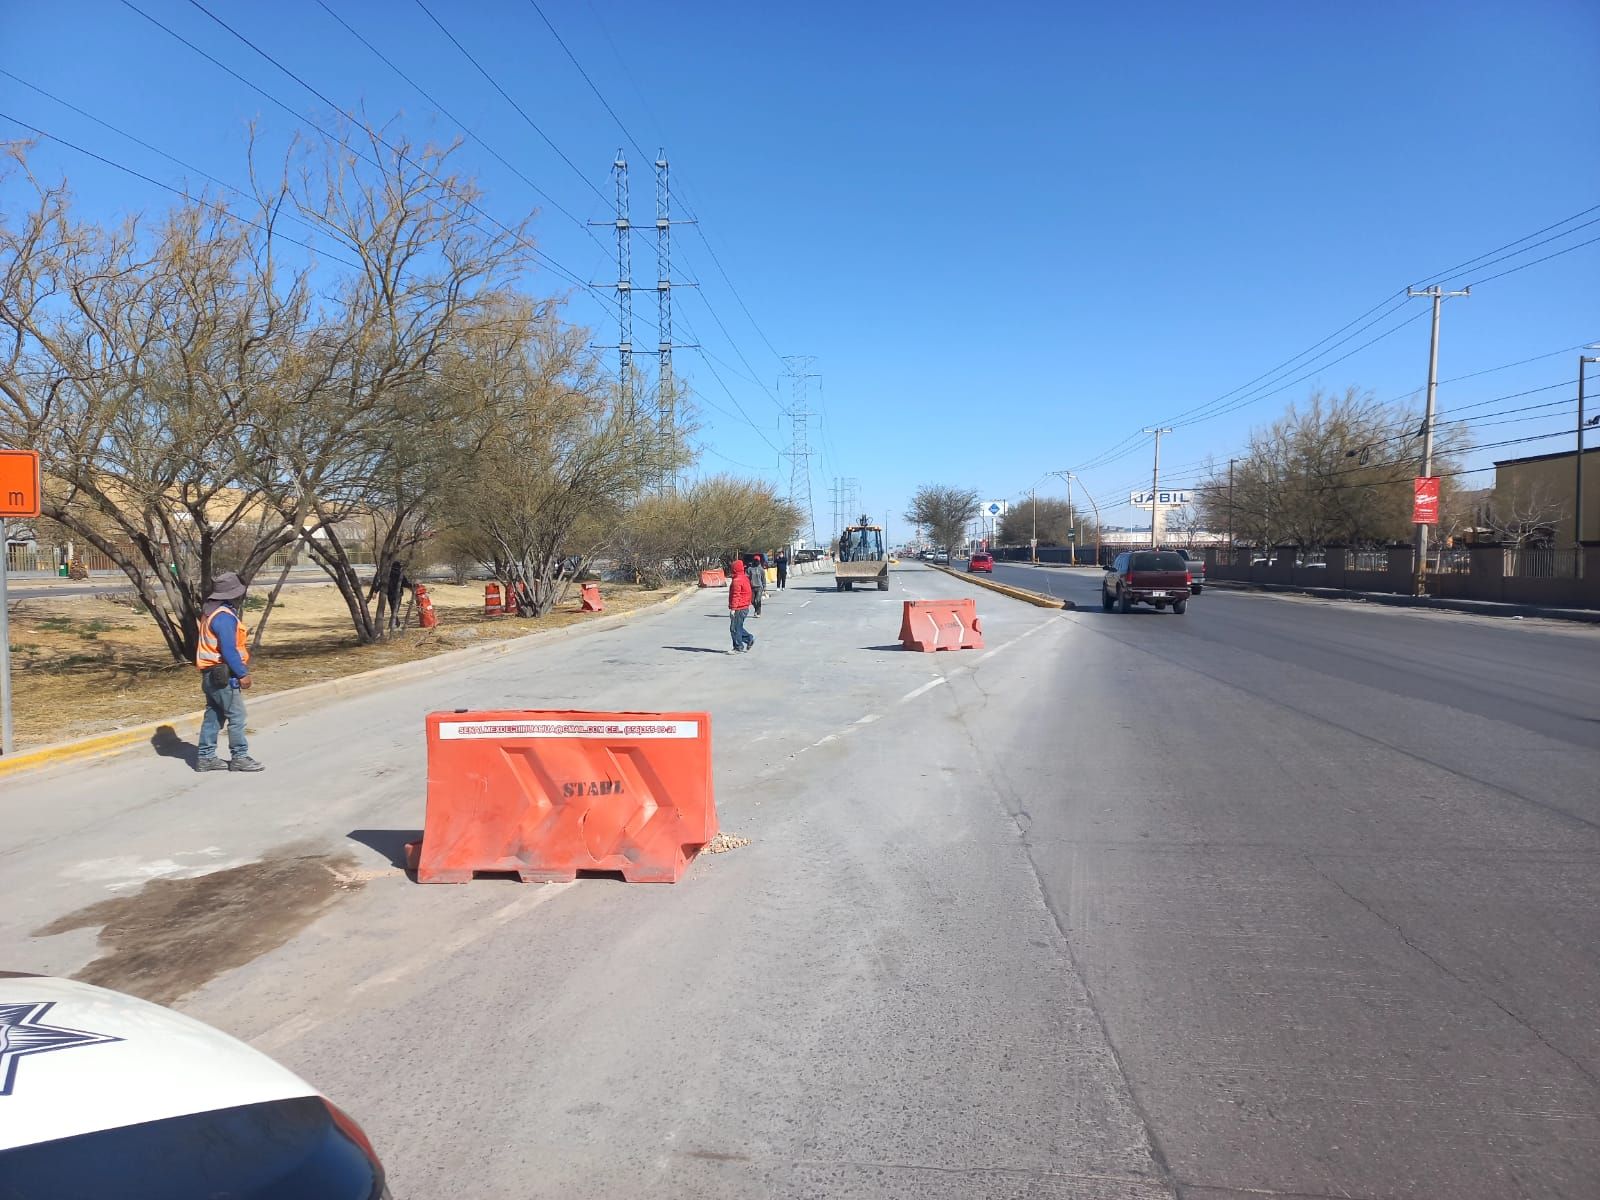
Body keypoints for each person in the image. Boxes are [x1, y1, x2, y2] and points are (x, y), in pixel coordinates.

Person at [194, 571, 263, 772]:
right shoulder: (224, 617)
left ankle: (205, 757)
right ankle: (239, 756)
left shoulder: (210, 612)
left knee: (214, 716)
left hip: (210, 674)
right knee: (237, 716)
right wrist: (242, 674)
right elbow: (229, 649)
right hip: (223, 674)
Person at [727, 558, 755, 653]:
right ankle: (749, 639)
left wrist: (733, 609)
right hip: (744, 606)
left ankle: (738, 647)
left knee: (734, 628)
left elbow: (736, 595)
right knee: (738, 627)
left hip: (739, 607)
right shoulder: (744, 578)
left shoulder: (737, 580)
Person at [748, 552, 767, 616]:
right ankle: (756, 609)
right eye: (755, 560)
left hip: (759, 587)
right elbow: (747, 577)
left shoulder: (761, 569)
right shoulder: (750, 569)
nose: (756, 562)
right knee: (752, 601)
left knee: (757, 600)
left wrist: (764, 587)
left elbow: (763, 579)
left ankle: (758, 612)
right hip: (752, 587)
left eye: (757, 560)